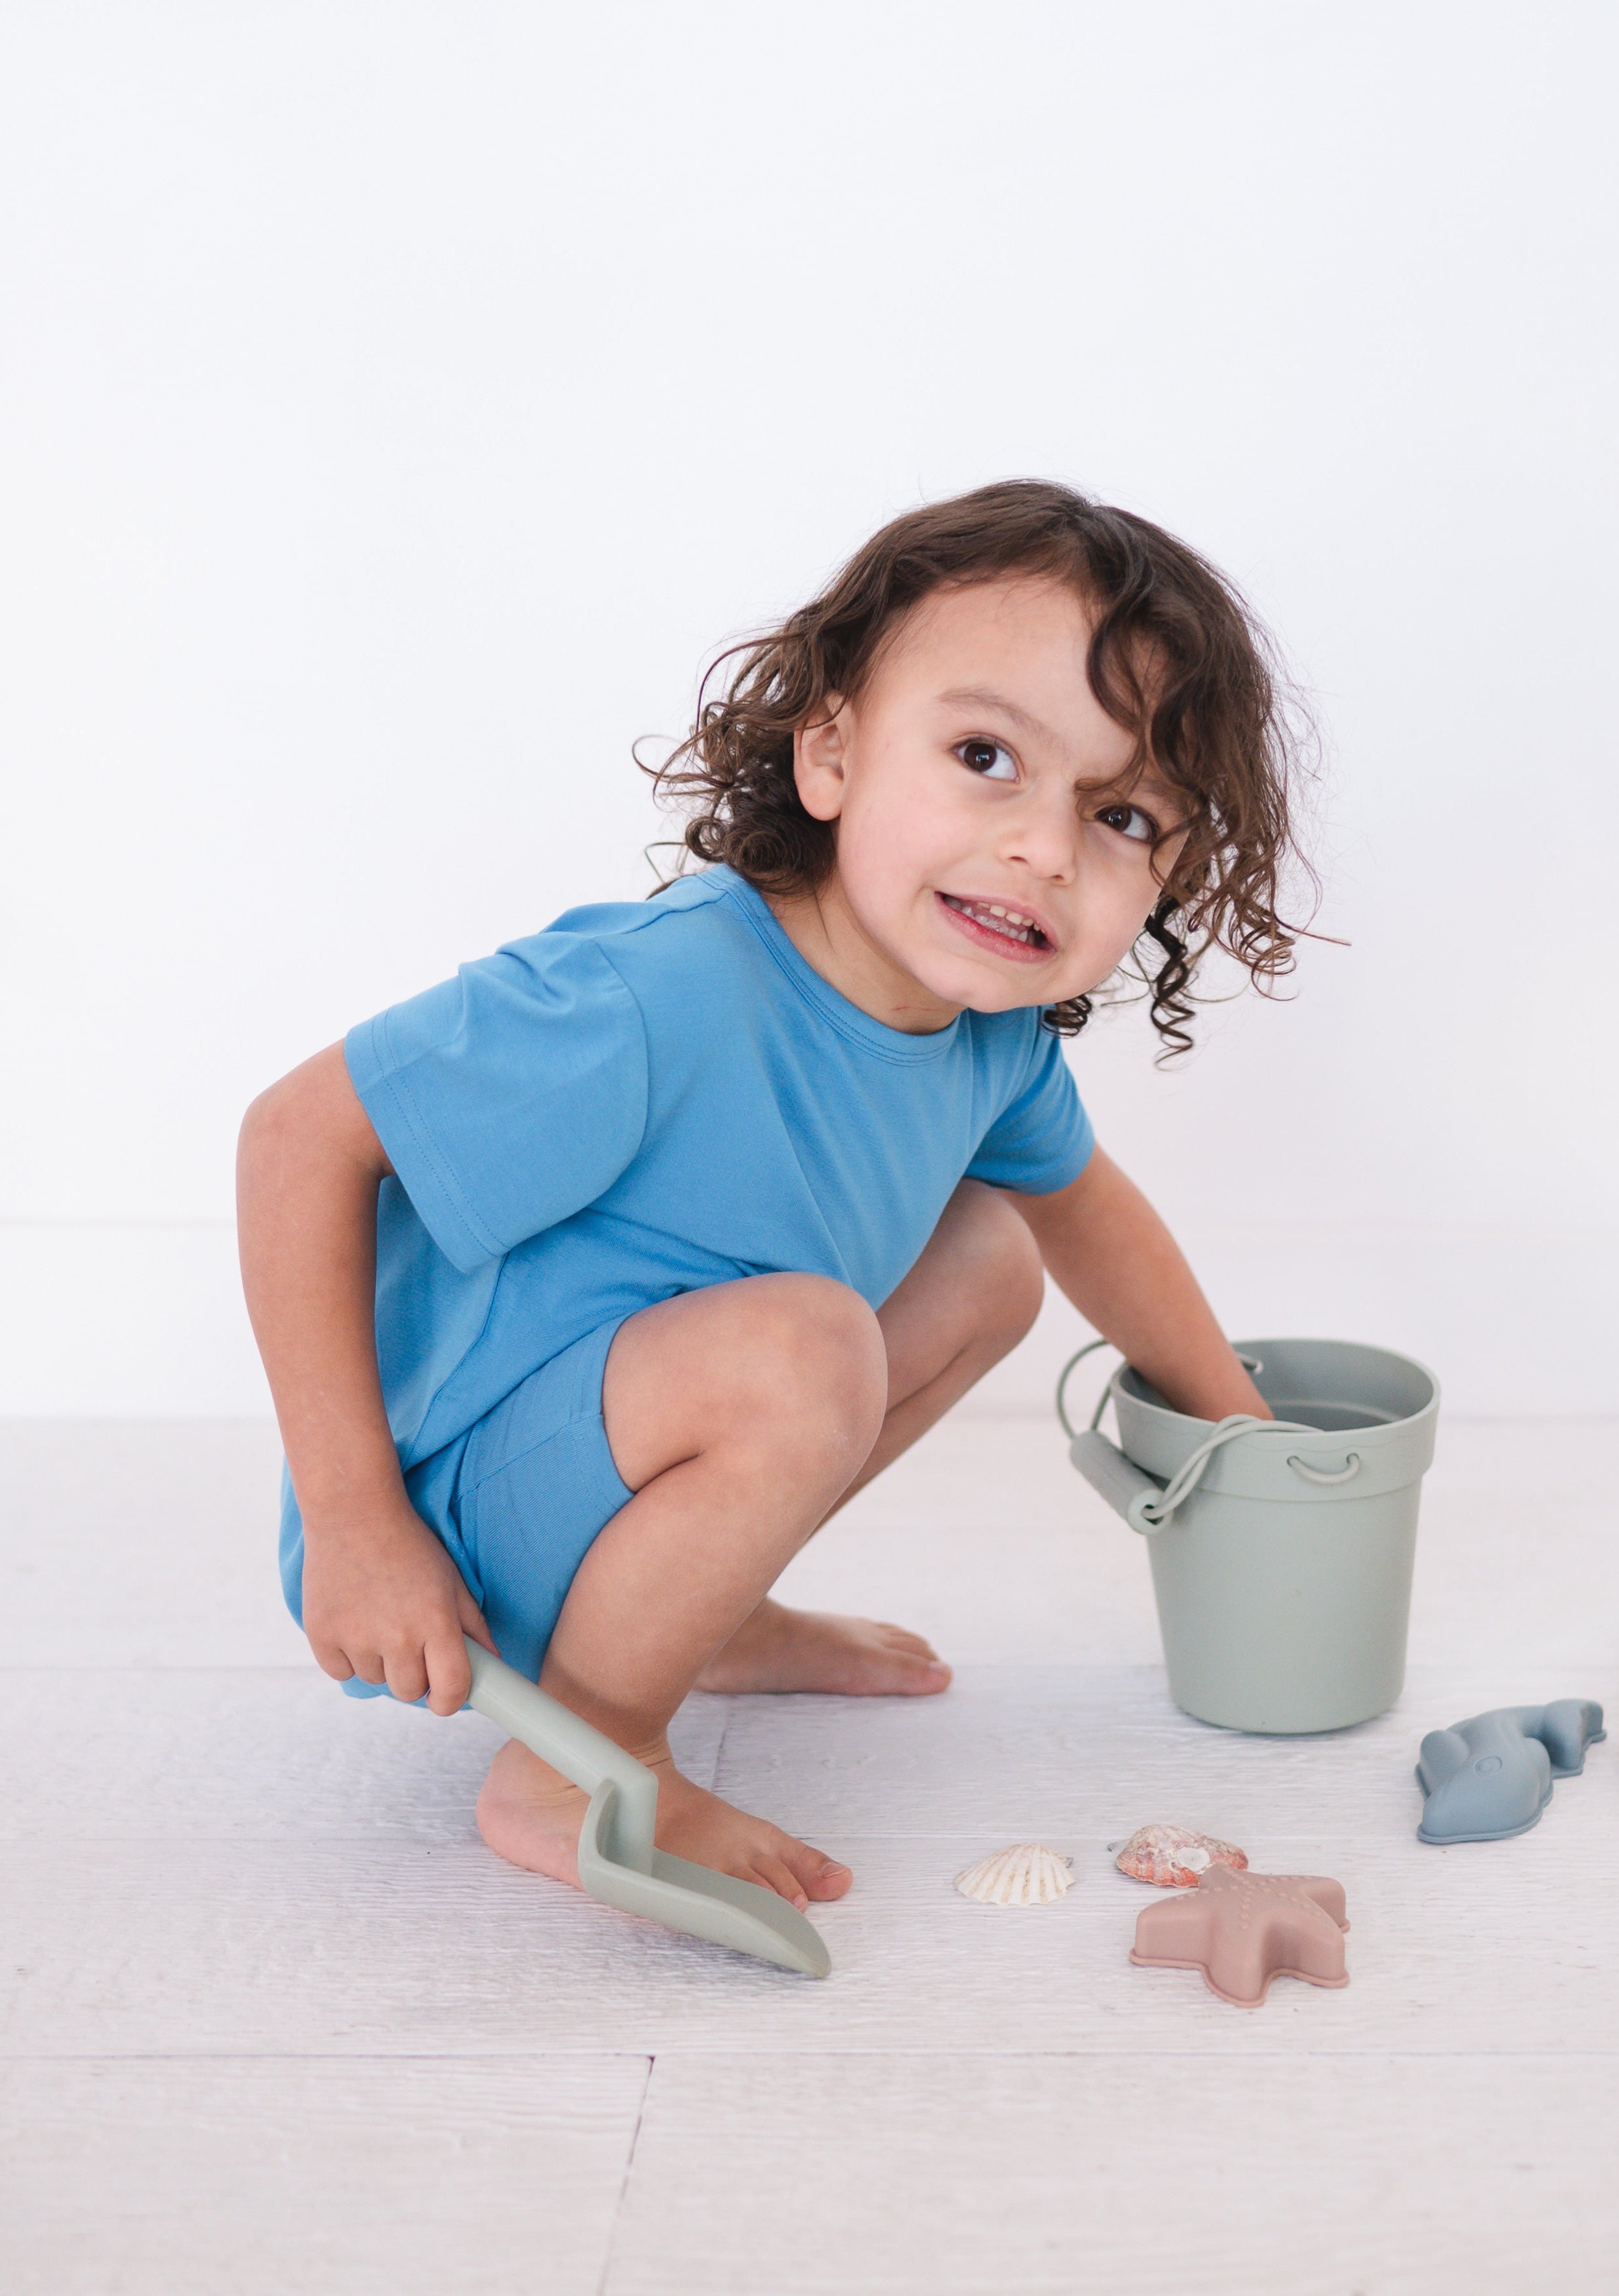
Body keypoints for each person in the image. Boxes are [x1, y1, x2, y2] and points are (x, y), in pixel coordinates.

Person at [236, 479, 1309, 1915]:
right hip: (446, 1521)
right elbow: (297, 1139)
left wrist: (1251, 1441)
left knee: (993, 1253)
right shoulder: (653, 997)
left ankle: (692, 1614)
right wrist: (359, 1519)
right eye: (986, 754)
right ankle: (581, 1754)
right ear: (830, 754)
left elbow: (1094, 1217)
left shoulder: (984, 1039)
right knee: (811, 1344)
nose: (1047, 847)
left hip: (618, 1464)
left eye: (1120, 814)